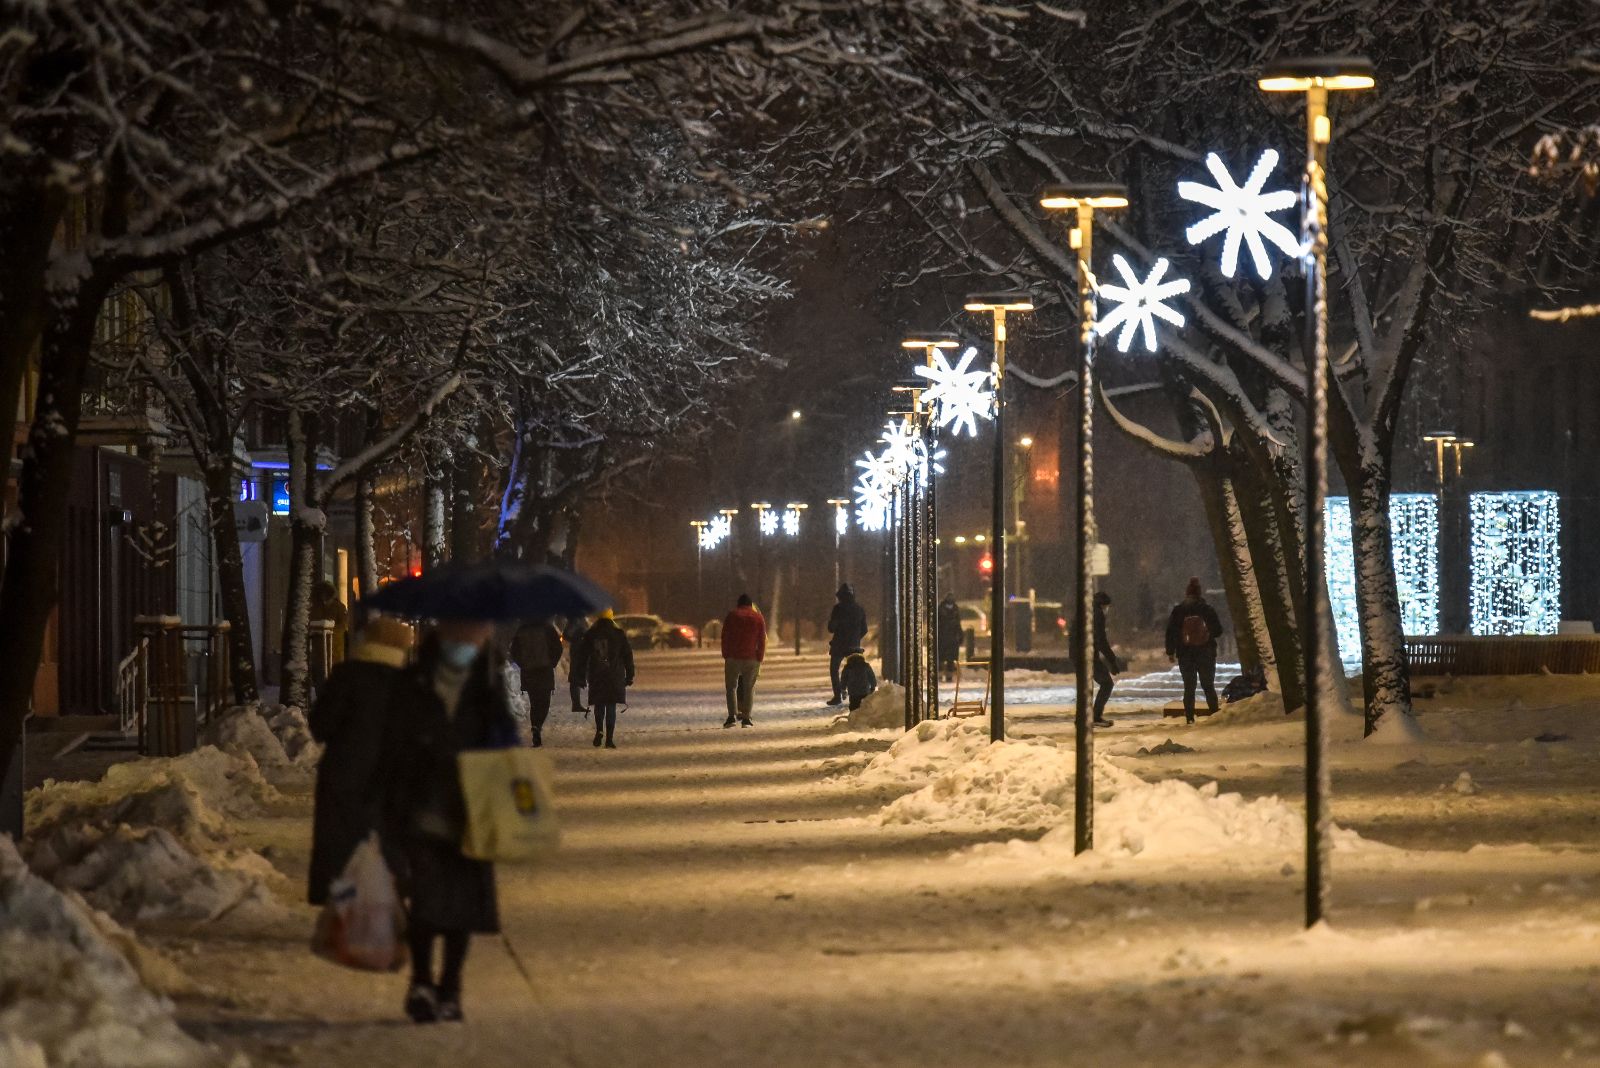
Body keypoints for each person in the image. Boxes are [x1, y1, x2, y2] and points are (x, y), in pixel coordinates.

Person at [389, 618, 518, 1024]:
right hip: (423, 808)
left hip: (473, 814)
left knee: (463, 906)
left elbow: (507, 744)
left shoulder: (488, 686)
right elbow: (393, 742)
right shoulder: (414, 683)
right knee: (426, 903)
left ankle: (451, 987)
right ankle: (422, 982)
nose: (469, 641)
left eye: (476, 635)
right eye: (463, 635)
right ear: (442, 637)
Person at [306, 615, 414, 911]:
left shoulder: (346, 675)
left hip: (345, 773)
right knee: (391, 842)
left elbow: (320, 726)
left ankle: (342, 907)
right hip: (393, 776)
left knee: (341, 843)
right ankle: (392, 904)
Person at [1166, 577, 1224, 724]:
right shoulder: (1207, 609)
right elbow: (1218, 631)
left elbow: (1171, 632)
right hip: (1206, 652)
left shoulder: (1178, 610)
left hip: (1185, 653)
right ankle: (1214, 714)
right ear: (1200, 594)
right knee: (1208, 685)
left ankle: (1190, 717)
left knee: (1189, 686)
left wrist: (1170, 651)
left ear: (1186, 594)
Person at [574, 609, 634, 748]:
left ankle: (600, 730)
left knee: (599, 704)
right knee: (611, 706)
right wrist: (630, 675)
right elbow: (627, 656)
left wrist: (581, 676)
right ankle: (609, 739)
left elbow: (582, 657)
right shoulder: (618, 634)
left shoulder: (591, 634)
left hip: (596, 674)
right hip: (614, 675)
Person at [509, 619, 563, 747]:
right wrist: (552, 662)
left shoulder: (522, 628)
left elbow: (514, 651)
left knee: (534, 702)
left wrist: (523, 664)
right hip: (545, 670)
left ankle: (535, 726)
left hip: (529, 671)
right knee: (544, 702)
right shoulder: (548, 628)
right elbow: (558, 648)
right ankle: (538, 726)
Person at [1073, 592, 1122, 727]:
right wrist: (1112, 660)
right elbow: (1101, 640)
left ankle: (1082, 718)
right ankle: (1095, 716)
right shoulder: (1097, 614)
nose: (1107, 610)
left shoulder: (1083, 611)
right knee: (1107, 684)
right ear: (1103, 605)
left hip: (1077, 654)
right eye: (1107, 607)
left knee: (1085, 687)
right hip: (1087, 654)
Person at [720, 594, 766, 727]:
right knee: (749, 688)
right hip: (751, 657)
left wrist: (726, 653)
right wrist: (760, 656)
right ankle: (746, 718)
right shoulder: (758, 617)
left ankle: (732, 716)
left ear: (738, 604)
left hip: (733, 656)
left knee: (731, 687)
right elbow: (761, 638)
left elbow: (725, 636)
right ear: (750, 604)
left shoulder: (732, 615)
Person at [826, 584, 868, 706]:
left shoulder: (838, 609)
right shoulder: (859, 609)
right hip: (854, 645)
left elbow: (831, 628)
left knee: (834, 670)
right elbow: (864, 629)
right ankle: (857, 694)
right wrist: (855, 638)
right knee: (856, 670)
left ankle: (838, 695)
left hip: (839, 645)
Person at [310, 579, 350, 665]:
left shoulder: (338, 607)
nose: (323, 597)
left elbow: (343, 624)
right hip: (320, 646)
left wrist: (331, 631)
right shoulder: (315, 607)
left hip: (334, 645)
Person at [562, 615, 590, 714]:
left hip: (584, 650)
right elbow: (566, 635)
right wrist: (577, 638)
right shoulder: (574, 619)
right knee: (575, 677)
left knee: (583, 674)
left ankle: (578, 703)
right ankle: (576, 704)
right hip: (578, 651)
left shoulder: (582, 619)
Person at [936, 593, 962, 682]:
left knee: (951, 658)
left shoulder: (955, 609)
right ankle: (939, 675)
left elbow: (958, 623)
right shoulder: (940, 609)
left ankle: (949, 676)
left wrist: (960, 635)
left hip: (952, 638)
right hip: (942, 637)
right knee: (940, 658)